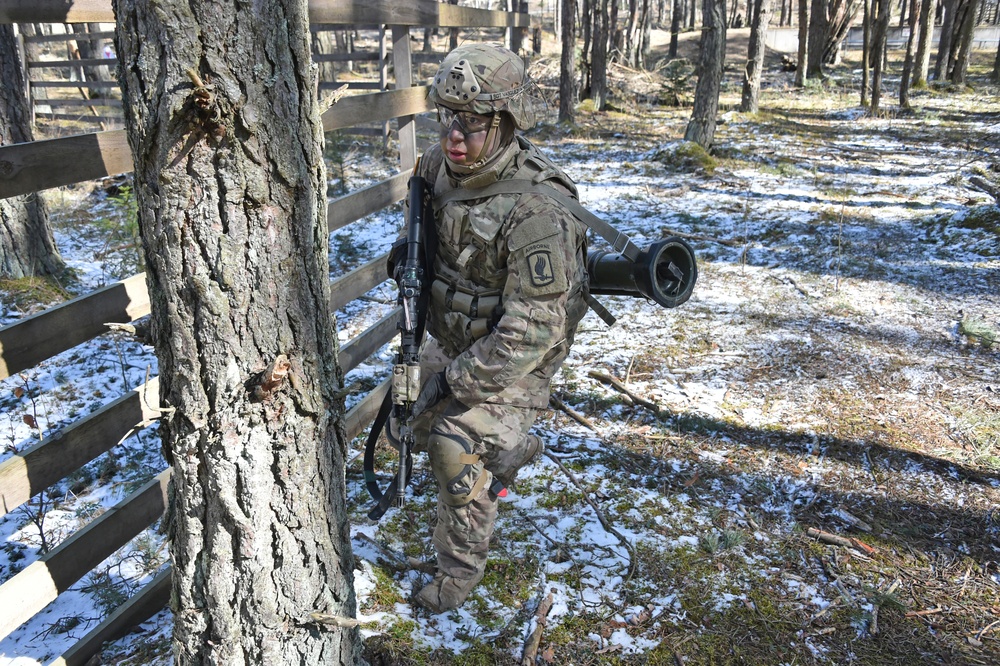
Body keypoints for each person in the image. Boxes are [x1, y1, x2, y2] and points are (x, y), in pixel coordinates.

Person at [399, 43, 591, 613]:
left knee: (451, 446)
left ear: (506, 123)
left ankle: (456, 575)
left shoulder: (539, 210)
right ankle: (510, 450)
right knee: (401, 419)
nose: (454, 137)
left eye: (473, 123)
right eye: (446, 119)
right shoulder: (437, 169)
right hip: (458, 341)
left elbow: (530, 332)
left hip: (519, 363)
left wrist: (454, 384)